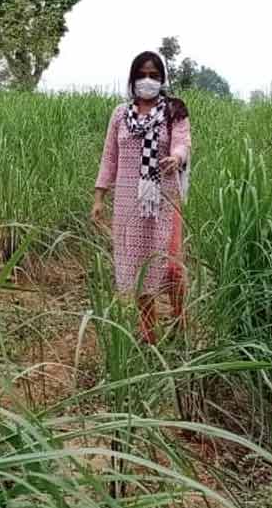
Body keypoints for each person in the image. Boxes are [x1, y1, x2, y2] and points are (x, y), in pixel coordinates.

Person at [91, 51, 192, 344]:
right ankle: (149, 334)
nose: (148, 80)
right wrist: (99, 197)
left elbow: (183, 142)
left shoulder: (174, 110)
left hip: (163, 199)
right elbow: (110, 157)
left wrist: (176, 157)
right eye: (142, 74)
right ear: (133, 77)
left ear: (162, 79)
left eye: (154, 75)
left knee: (171, 266)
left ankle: (179, 320)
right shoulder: (120, 114)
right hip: (127, 203)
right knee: (137, 267)